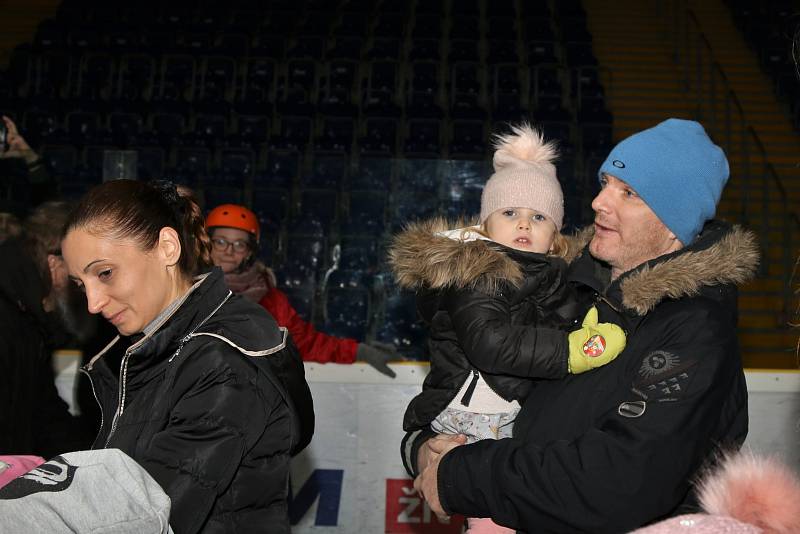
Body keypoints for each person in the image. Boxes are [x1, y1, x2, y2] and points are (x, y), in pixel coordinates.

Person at [406, 118, 760, 532]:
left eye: (627, 193)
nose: (598, 202)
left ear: (672, 227)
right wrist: (424, 450)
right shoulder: (565, 284)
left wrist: (461, 475)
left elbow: (619, 481)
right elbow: (466, 382)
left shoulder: (695, 331)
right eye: (605, 182)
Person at [390, 124, 626, 533]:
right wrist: (573, 350)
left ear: (554, 238)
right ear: (486, 226)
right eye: (510, 213)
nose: (524, 224)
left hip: (512, 417)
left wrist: (590, 321)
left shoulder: (555, 279)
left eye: (539, 217)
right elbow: (490, 344)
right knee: (492, 516)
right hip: (470, 416)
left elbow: (567, 317)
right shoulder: (477, 274)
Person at [61, 179, 313, 533]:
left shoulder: (223, 359)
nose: (93, 303)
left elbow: (149, 510)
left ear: (166, 247)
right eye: (80, 284)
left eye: (105, 273)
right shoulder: (147, 345)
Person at [205, 203, 399, 377]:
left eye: (239, 244)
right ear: (207, 244)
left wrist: (358, 351)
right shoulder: (184, 289)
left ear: (249, 251)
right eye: (220, 242)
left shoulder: (272, 301)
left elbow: (306, 343)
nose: (229, 251)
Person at [0, 205, 90, 458]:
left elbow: (45, 414)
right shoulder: (10, 318)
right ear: (54, 262)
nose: (85, 288)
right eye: (79, 274)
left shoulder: (26, 316)